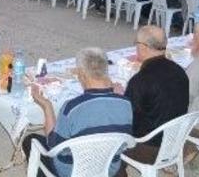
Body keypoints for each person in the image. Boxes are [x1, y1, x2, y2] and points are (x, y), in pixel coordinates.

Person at [24, 47, 133, 177]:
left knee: (30, 140)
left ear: (81, 74)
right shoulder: (126, 103)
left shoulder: (72, 107)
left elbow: (53, 144)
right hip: (109, 168)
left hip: (72, 172)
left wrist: (46, 106)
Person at [121, 25, 188, 154]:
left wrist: (118, 98)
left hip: (149, 147)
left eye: (137, 44)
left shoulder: (141, 80)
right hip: (175, 139)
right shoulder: (180, 71)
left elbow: (127, 118)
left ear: (143, 47)